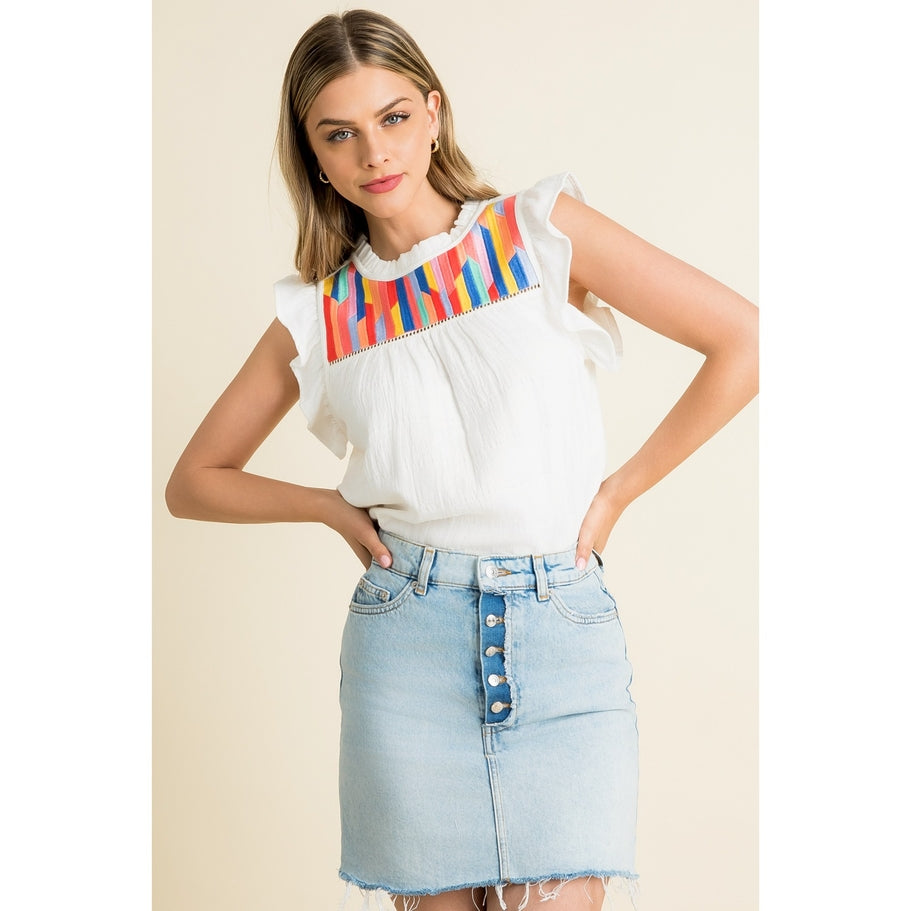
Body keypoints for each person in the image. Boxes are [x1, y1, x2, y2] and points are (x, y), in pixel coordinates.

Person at [165, 9, 758, 911]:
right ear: (312, 154)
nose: (374, 152)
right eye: (339, 133)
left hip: (560, 631)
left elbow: (744, 341)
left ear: (434, 113)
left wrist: (617, 493)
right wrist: (326, 505)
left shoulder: (537, 233)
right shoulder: (320, 313)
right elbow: (194, 481)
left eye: (394, 117)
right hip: (407, 642)